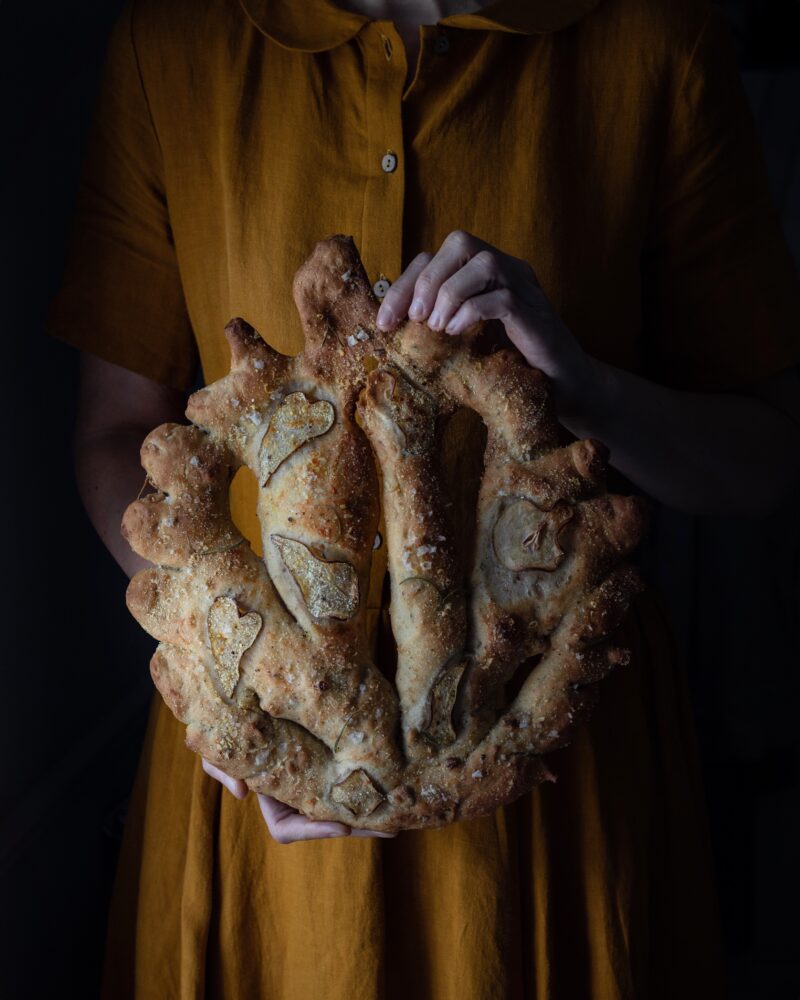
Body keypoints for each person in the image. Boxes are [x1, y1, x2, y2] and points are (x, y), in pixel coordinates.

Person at [49, 0, 800, 995]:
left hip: (558, 789)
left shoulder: (656, 41)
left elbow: (764, 456)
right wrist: (230, 669)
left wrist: (577, 384)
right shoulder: (174, 44)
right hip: (255, 783)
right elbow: (116, 432)